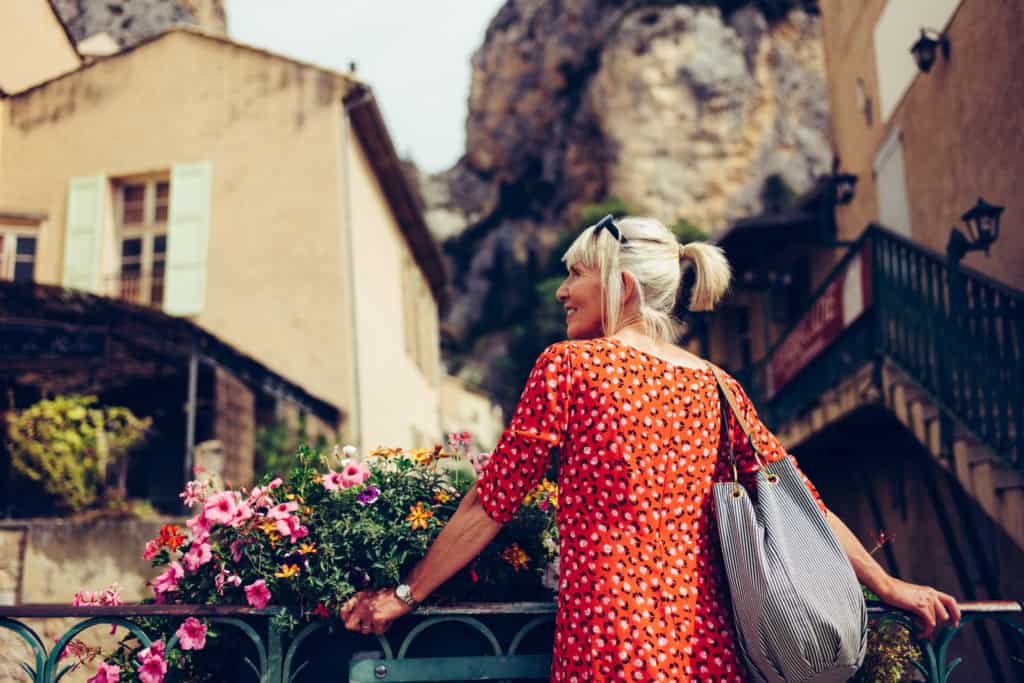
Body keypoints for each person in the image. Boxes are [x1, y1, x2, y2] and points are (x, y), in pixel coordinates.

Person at [341, 215, 960, 681]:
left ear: (624, 285)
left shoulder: (569, 368)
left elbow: (492, 501)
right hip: (712, 653)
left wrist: (403, 596)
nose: (563, 290)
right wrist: (887, 585)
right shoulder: (719, 386)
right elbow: (804, 508)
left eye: (577, 273)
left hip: (611, 645)